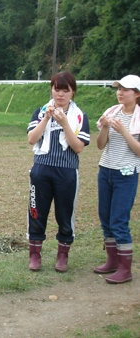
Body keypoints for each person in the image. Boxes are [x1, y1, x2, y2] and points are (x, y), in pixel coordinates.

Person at [26, 71, 90, 273]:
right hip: (41, 170)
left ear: (72, 92)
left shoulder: (79, 117)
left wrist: (64, 124)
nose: (60, 94)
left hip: (67, 171)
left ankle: (63, 255)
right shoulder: (40, 111)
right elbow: (31, 139)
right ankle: (35, 255)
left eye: (65, 90)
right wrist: (46, 118)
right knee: (36, 212)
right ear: (51, 90)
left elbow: (78, 147)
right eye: (56, 89)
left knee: (65, 214)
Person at [94, 74, 140, 284]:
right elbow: (100, 145)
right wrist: (104, 127)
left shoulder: (138, 118)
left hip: (127, 173)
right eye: (118, 88)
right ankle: (112, 261)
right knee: (105, 217)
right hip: (106, 170)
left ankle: (125, 269)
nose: (120, 92)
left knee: (119, 220)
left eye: (126, 89)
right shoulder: (111, 112)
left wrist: (124, 131)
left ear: (137, 94)